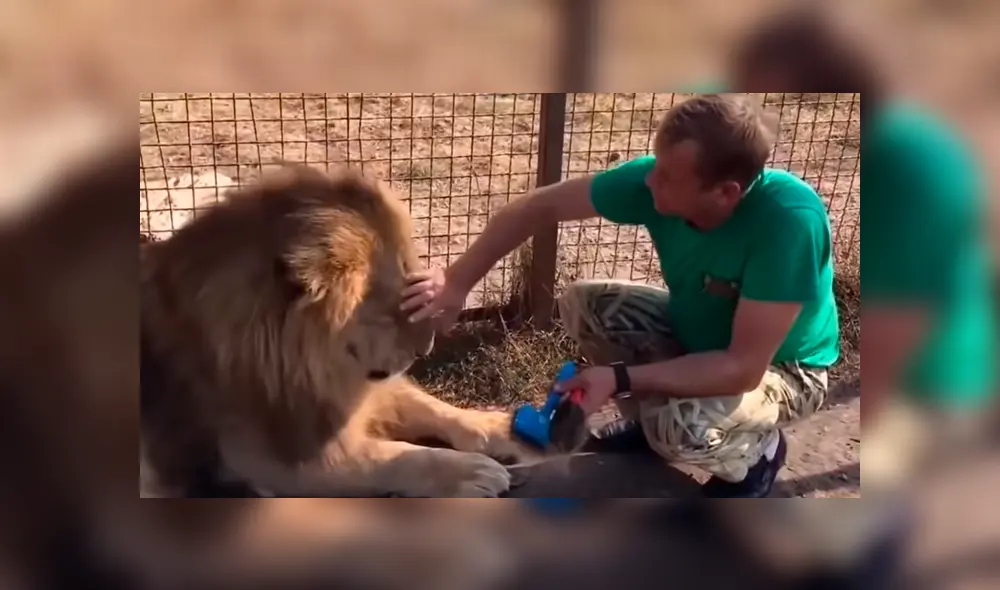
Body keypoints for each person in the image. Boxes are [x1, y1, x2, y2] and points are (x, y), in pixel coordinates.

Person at [401, 92, 840, 498]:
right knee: (587, 306)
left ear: (725, 193)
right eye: (656, 164)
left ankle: (755, 459)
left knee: (682, 427)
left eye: (668, 176)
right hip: (703, 337)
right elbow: (539, 206)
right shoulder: (654, 183)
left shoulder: (787, 222)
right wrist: (457, 281)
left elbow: (741, 369)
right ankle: (653, 432)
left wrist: (617, 379)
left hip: (785, 370)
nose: (649, 180)